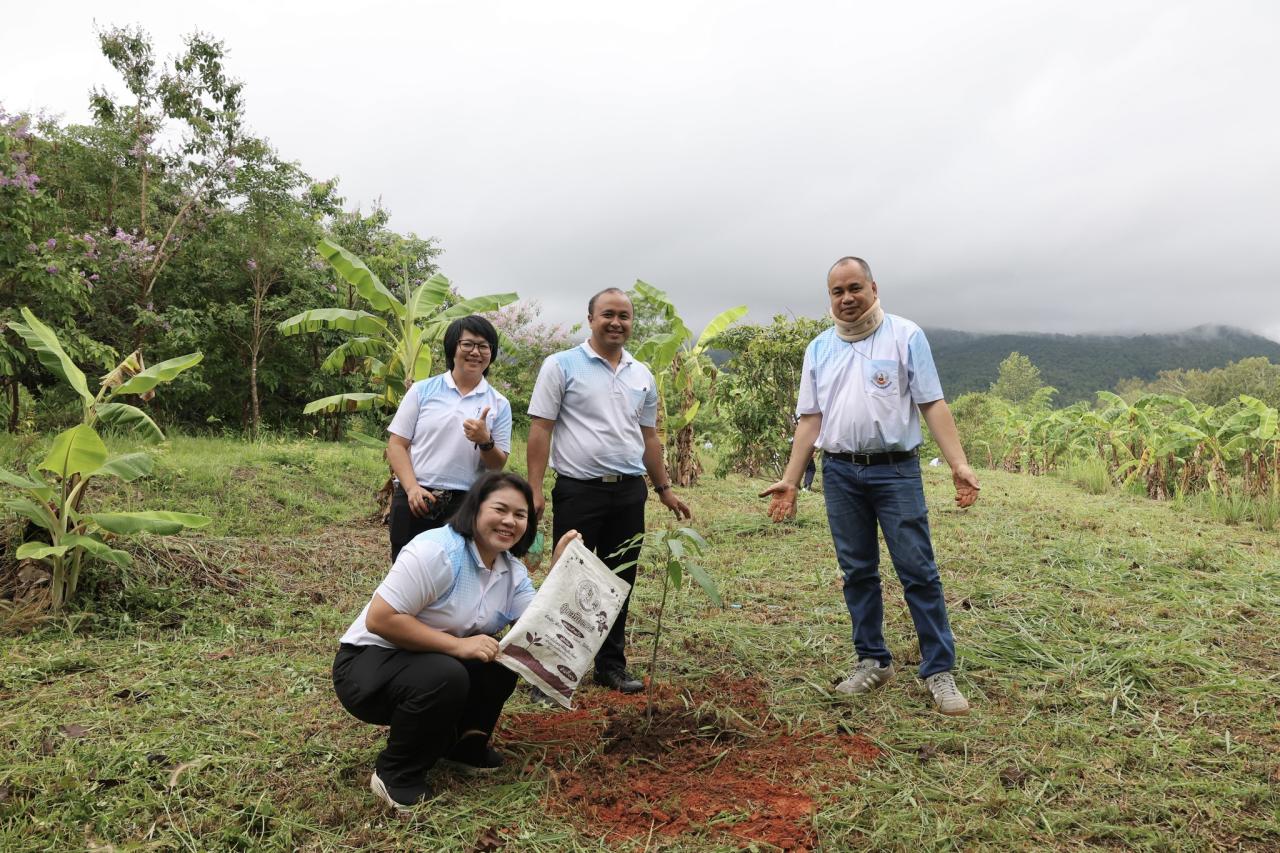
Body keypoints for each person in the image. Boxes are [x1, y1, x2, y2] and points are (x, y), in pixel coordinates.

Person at [761, 256, 980, 716]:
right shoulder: (819, 349)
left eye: (854, 288)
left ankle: (939, 670)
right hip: (840, 473)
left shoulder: (905, 335)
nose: (846, 298)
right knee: (857, 571)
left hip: (896, 470)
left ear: (874, 288)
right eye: (837, 292)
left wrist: (958, 464)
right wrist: (790, 480)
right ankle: (873, 660)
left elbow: (932, 403)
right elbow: (810, 420)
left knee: (918, 571)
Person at [332, 471, 579, 810]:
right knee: (448, 673)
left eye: (520, 515)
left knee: (500, 662)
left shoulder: (512, 571)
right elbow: (380, 619)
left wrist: (558, 574)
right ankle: (395, 773)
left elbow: (538, 628)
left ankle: (463, 747)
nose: (510, 521)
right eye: (500, 509)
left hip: (429, 663)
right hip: (367, 664)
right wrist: (459, 646)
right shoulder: (437, 551)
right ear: (475, 509)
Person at [526, 288, 691, 694]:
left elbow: (650, 438)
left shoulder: (641, 374)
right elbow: (540, 429)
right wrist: (533, 491)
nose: (616, 322)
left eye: (624, 316)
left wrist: (663, 488)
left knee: (619, 579)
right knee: (567, 579)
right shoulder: (561, 365)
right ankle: (549, 669)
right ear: (590, 318)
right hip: (578, 491)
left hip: (629, 494)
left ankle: (611, 666)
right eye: (608, 315)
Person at [385, 315, 512, 562]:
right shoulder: (422, 391)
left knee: (456, 574)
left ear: (491, 353)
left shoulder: (499, 404)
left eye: (484, 346)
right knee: (407, 575)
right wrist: (412, 488)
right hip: (415, 498)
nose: (476, 352)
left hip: (465, 504)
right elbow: (397, 444)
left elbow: (497, 465)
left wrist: (485, 440)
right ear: (452, 347)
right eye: (468, 344)